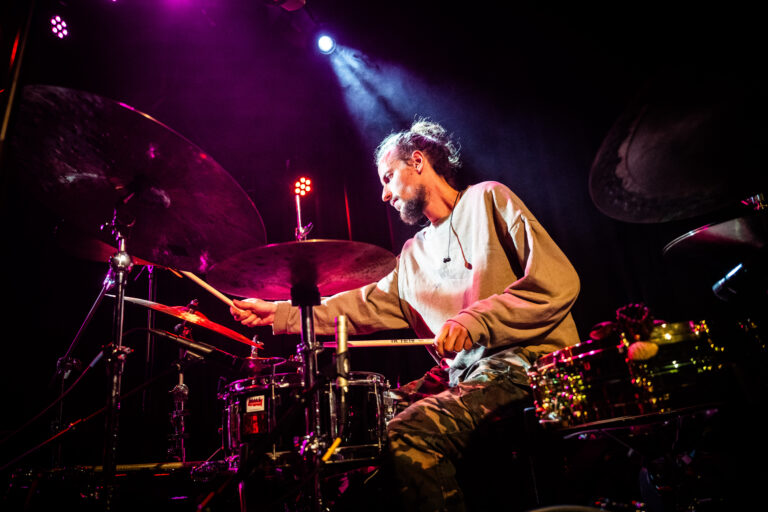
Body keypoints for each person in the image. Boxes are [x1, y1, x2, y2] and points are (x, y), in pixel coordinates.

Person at [231, 119, 581, 511]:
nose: (383, 195)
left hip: (529, 364)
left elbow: (556, 282)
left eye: (387, 177)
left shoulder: (488, 199)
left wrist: (475, 319)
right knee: (363, 428)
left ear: (417, 162)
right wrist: (280, 312)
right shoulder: (413, 254)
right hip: (464, 375)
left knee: (408, 431)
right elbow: (362, 303)